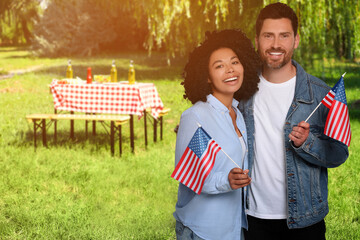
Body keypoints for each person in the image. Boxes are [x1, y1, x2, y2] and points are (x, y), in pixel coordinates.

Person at [238, 3, 349, 240]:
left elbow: (338, 154)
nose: (276, 44)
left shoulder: (320, 94)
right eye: (268, 36)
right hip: (251, 217)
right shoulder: (241, 91)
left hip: (305, 220)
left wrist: (307, 144)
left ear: (296, 40)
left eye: (284, 36)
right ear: (257, 40)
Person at [173, 29, 260, 240]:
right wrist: (226, 180)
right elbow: (190, 176)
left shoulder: (238, 114)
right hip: (201, 231)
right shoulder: (196, 116)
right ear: (208, 77)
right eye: (219, 66)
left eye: (234, 62)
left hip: (233, 230)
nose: (230, 70)